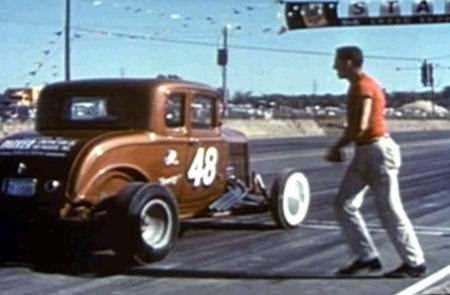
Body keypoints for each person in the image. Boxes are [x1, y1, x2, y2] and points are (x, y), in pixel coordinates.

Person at [326, 46, 427, 278]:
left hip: (377, 152)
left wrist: (338, 146)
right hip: (366, 151)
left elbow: (361, 126)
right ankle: (366, 257)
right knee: (344, 204)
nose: (334, 67)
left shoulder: (363, 87)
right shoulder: (359, 85)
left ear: (349, 62)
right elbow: (361, 127)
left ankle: (415, 263)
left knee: (390, 209)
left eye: (337, 62)